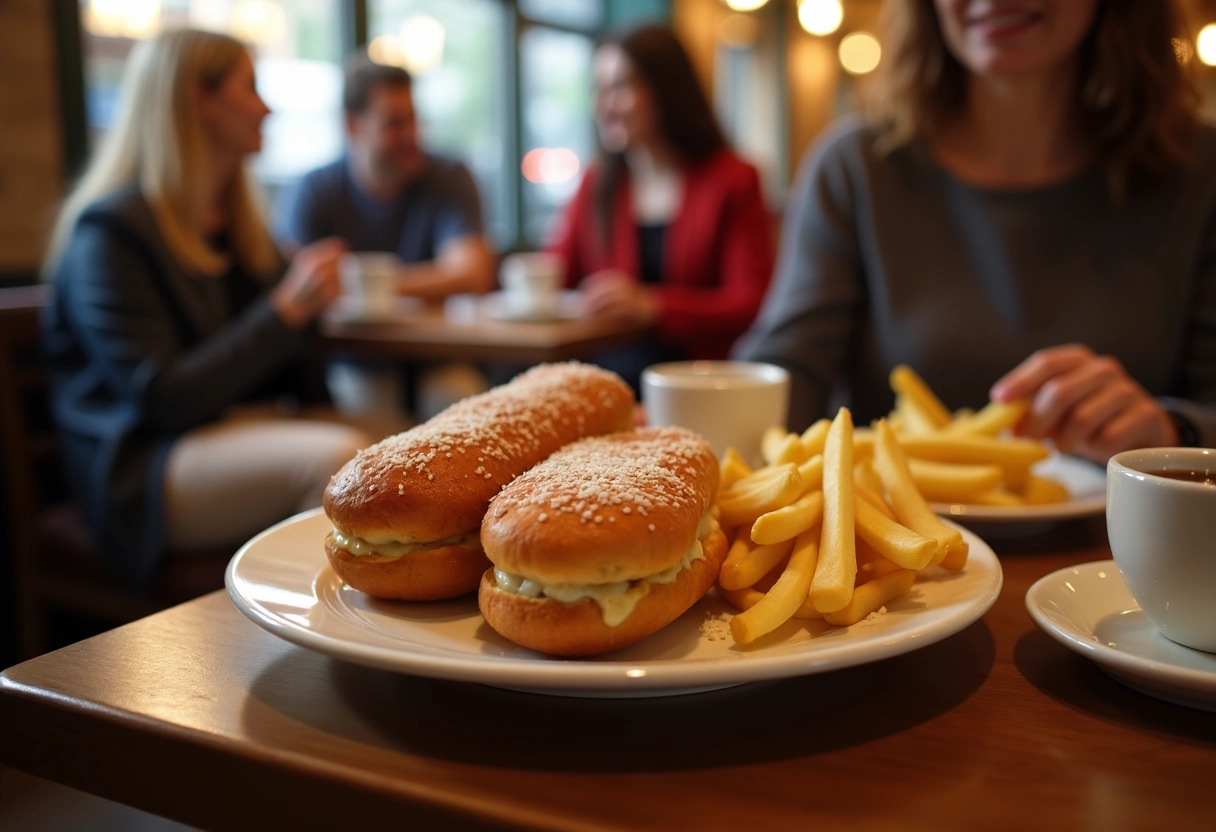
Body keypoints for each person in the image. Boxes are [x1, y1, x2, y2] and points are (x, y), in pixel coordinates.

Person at [733, 0, 1216, 463]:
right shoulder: (854, 169)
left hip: (1126, 546)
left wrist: (1174, 431)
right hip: (896, 544)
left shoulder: (1201, 173)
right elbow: (786, 372)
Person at [42, 29, 372, 590]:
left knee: (414, 449)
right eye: (250, 87)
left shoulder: (236, 225)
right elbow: (162, 397)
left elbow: (294, 368)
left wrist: (304, 316)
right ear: (201, 99)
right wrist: (285, 311)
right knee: (341, 460)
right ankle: (334, 654)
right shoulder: (110, 233)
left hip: (233, 430)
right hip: (146, 465)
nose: (266, 107)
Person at [548, 23, 776, 392]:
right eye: (599, 89)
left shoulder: (734, 179)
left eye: (620, 87)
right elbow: (554, 274)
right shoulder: (596, 183)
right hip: (606, 374)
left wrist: (655, 306)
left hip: (700, 381)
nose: (603, 105)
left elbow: (752, 304)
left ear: (667, 91)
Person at [277, 56, 495, 419]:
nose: (411, 135)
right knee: (364, 428)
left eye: (413, 120)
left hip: (438, 359)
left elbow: (473, 274)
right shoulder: (314, 190)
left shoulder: (449, 176)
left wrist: (361, 285)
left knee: (463, 409)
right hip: (355, 362)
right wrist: (428, 281)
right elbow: (298, 289)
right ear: (353, 126)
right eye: (394, 123)